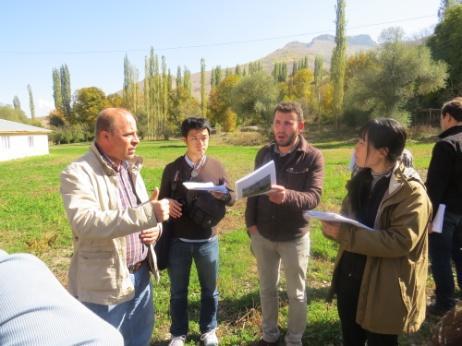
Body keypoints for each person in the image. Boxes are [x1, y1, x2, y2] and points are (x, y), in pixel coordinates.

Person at [60, 108, 170, 346]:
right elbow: (85, 223)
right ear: (105, 136)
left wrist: (156, 229)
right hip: (105, 284)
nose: (137, 139)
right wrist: (148, 213)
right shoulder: (77, 173)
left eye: (136, 133)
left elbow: (142, 215)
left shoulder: (129, 168)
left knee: (140, 339)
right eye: (129, 134)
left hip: (140, 276)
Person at [321, 118, 432, 346]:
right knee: (351, 338)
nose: (356, 148)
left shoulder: (411, 193)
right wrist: (334, 226)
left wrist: (345, 235)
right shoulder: (362, 179)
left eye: (363, 143)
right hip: (350, 277)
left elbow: (400, 241)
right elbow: (349, 221)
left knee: (381, 341)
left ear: (382, 152)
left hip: (385, 288)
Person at [245, 102, 324, 346]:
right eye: (277, 122)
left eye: (287, 123)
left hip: (294, 238)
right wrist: (251, 225)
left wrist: (286, 196)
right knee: (267, 290)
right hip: (263, 235)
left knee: (296, 294)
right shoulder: (264, 153)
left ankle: (293, 340)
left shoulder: (312, 156)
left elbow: (314, 197)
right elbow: (253, 192)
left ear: (300, 126)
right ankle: (270, 336)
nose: (281, 128)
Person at [159, 117, 235, 346]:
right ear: (185, 139)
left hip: (207, 240)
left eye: (204, 138)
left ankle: (208, 330)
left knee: (209, 289)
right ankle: (178, 333)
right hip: (178, 241)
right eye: (194, 138)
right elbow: (162, 200)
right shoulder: (172, 169)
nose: (200, 142)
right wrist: (168, 203)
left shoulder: (217, 166)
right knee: (178, 291)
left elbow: (232, 196)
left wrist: (224, 195)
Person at [0, 249, 124, 346]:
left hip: (131, 275)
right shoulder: (24, 265)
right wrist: (139, 216)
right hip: (103, 280)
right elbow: (83, 224)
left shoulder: (25, 264)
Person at [426, 97, 462, 315]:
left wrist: (428, 217)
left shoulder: (445, 145)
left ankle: (445, 302)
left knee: (440, 255)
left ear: (448, 117)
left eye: (442, 117)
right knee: (460, 252)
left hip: (444, 211)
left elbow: (435, 185)